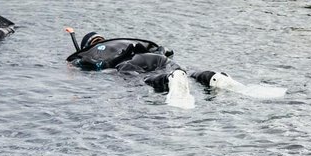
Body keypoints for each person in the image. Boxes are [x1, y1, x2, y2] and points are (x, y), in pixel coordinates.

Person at [65, 29, 220, 94]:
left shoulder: (93, 56)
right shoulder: (122, 44)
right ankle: (207, 76)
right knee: (185, 72)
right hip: (156, 57)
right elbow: (167, 51)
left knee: (142, 79)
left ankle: (167, 80)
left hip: (130, 64)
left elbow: (98, 66)